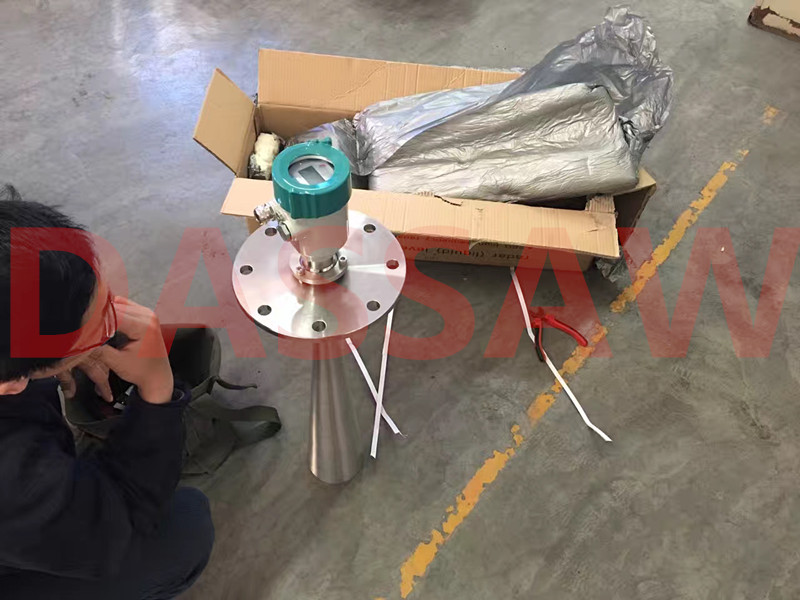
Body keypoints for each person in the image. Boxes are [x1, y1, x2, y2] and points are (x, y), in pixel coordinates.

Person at [0, 185, 214, 599]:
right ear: (11, 383)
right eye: (99, 326)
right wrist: (156, 388)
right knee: (185, 530)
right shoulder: (15, 483)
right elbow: (121, 521)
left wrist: (71, 351)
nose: (116, 322)